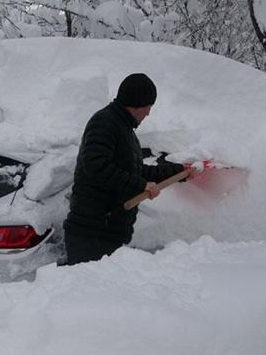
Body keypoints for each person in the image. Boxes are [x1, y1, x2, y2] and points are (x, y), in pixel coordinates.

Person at [62, 73, 193, 266]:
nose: (148, 113)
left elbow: (137, 172)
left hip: (107, 232)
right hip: (92, 234)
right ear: (138, 104)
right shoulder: (104, 123)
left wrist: (181, 171)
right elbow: (95, 165)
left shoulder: (124, 130)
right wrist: (141, 185)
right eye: (149, 107)